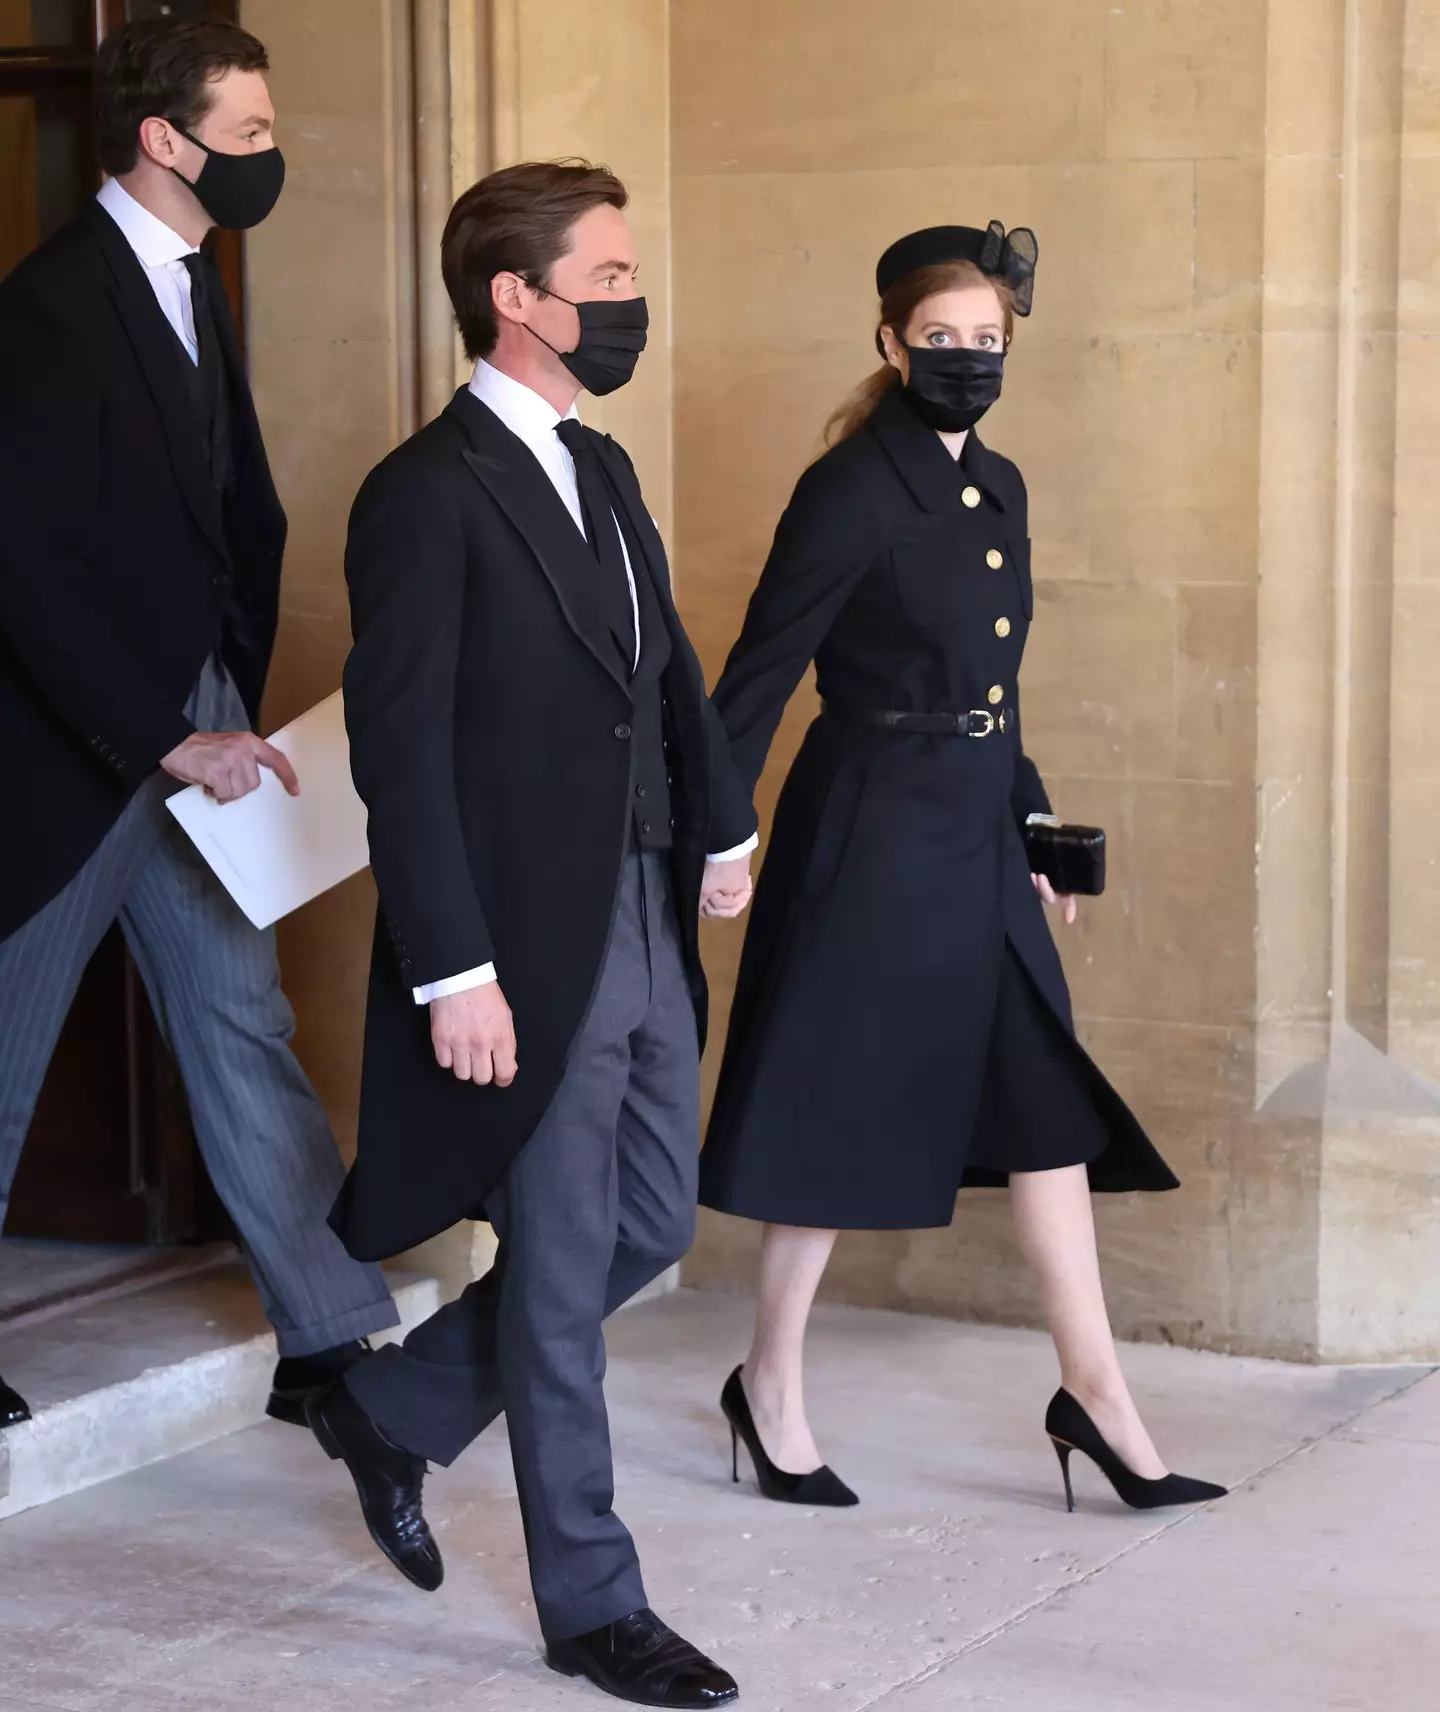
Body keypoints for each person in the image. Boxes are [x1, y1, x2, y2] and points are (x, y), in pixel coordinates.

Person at [313, 161, 755, 1709]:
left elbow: (664, 669)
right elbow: (402, 748)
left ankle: (394, 1407)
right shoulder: (425, 493)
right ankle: (592, 1602)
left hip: (640, 906)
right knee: (564, 1270)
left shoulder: (603, 465)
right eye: (614, 277)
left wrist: (720, 819)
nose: (635, 303)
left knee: (651, 1221)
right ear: (519, 297)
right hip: (515, 941)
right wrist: (454, 968)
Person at [698, 223, 1227, 1517]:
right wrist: (721, 831)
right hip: (870, 829)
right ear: (889, 343)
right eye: (941, 341)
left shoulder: (1002, 486)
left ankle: (1096, 1395)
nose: (967, 361)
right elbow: (760, 676)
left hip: (981, 832)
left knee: (1043, 1108)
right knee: (827, 1104)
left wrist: (1036, 831)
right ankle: (768, 1386)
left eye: (987, 342)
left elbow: (997, 687)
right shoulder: (851, 489)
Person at [0, 18, 399, 1433]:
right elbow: (21, 566)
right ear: (165, 143)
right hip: (80, 749)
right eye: (251, 135)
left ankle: (332, 1327)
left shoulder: (189, 279)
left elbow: (227, 513)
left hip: (197, 718)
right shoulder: (48, 308)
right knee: (6, 1035)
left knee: (239, 1012)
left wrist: (222, 689)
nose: (271, 157)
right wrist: (165, 733)